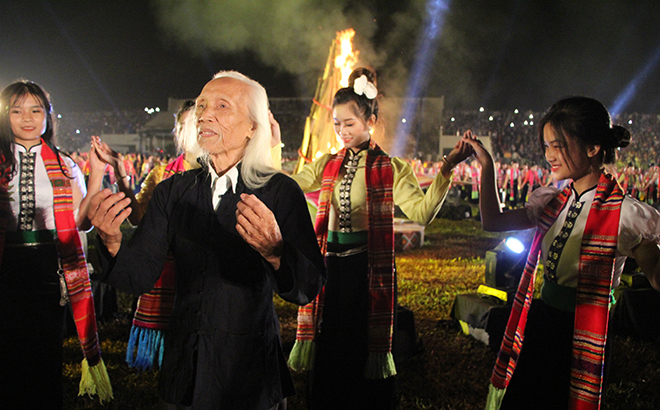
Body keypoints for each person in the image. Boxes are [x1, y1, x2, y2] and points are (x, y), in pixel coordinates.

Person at [88, 71, 326, 410]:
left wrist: (276, 252)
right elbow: (139, 275)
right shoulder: (174, 191)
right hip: (185, 367)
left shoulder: (279, 192)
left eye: (222, 106)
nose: (204, 114)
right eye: (201, 105)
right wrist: (112, 242)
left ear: (252, 127)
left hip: (249, 369)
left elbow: (308, 286)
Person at [287, 67, 474, 410]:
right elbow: (288, 187)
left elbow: (421, 212)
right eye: (338, 124)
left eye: (350, 124)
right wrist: (268, 145)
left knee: (360, 346)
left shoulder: (391, 168)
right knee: (329, 344)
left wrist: (447, 166)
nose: (342, 132)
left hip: (366, 271)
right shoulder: (327, 164)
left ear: (370, 121)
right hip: (329, 269)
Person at [462, 96, 660, 410]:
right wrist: (487, 165)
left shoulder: (625, 214)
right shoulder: (555, 200)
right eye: (546, 146)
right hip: (541, 321)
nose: (549, 155)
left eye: (558, 146)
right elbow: (493, 221)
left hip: (582, 334)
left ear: (593, 147)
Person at [0, 80, 112, 408]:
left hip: (49, 268)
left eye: (36, 110)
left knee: (45, 354)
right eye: (17, 111)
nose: (27, 118)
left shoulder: (65, 164)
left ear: (48, 116)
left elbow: (81, 222)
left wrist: (95, 179)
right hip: (6, 266)